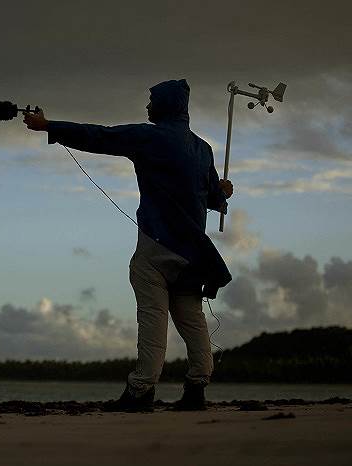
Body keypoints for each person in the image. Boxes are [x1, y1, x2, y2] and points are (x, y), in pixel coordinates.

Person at [23, 79, 233, 412]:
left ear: (165, 104)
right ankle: (197, 388)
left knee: (153, 318)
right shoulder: (203, 149)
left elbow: (100, 136)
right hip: (193, 253)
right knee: (192, 319)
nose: (147, 107)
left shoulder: (150, 137)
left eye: (152, 101)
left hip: (156, 245)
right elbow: (211, 198)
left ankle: (140, 391)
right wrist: (223, 192)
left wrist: (47, 126)